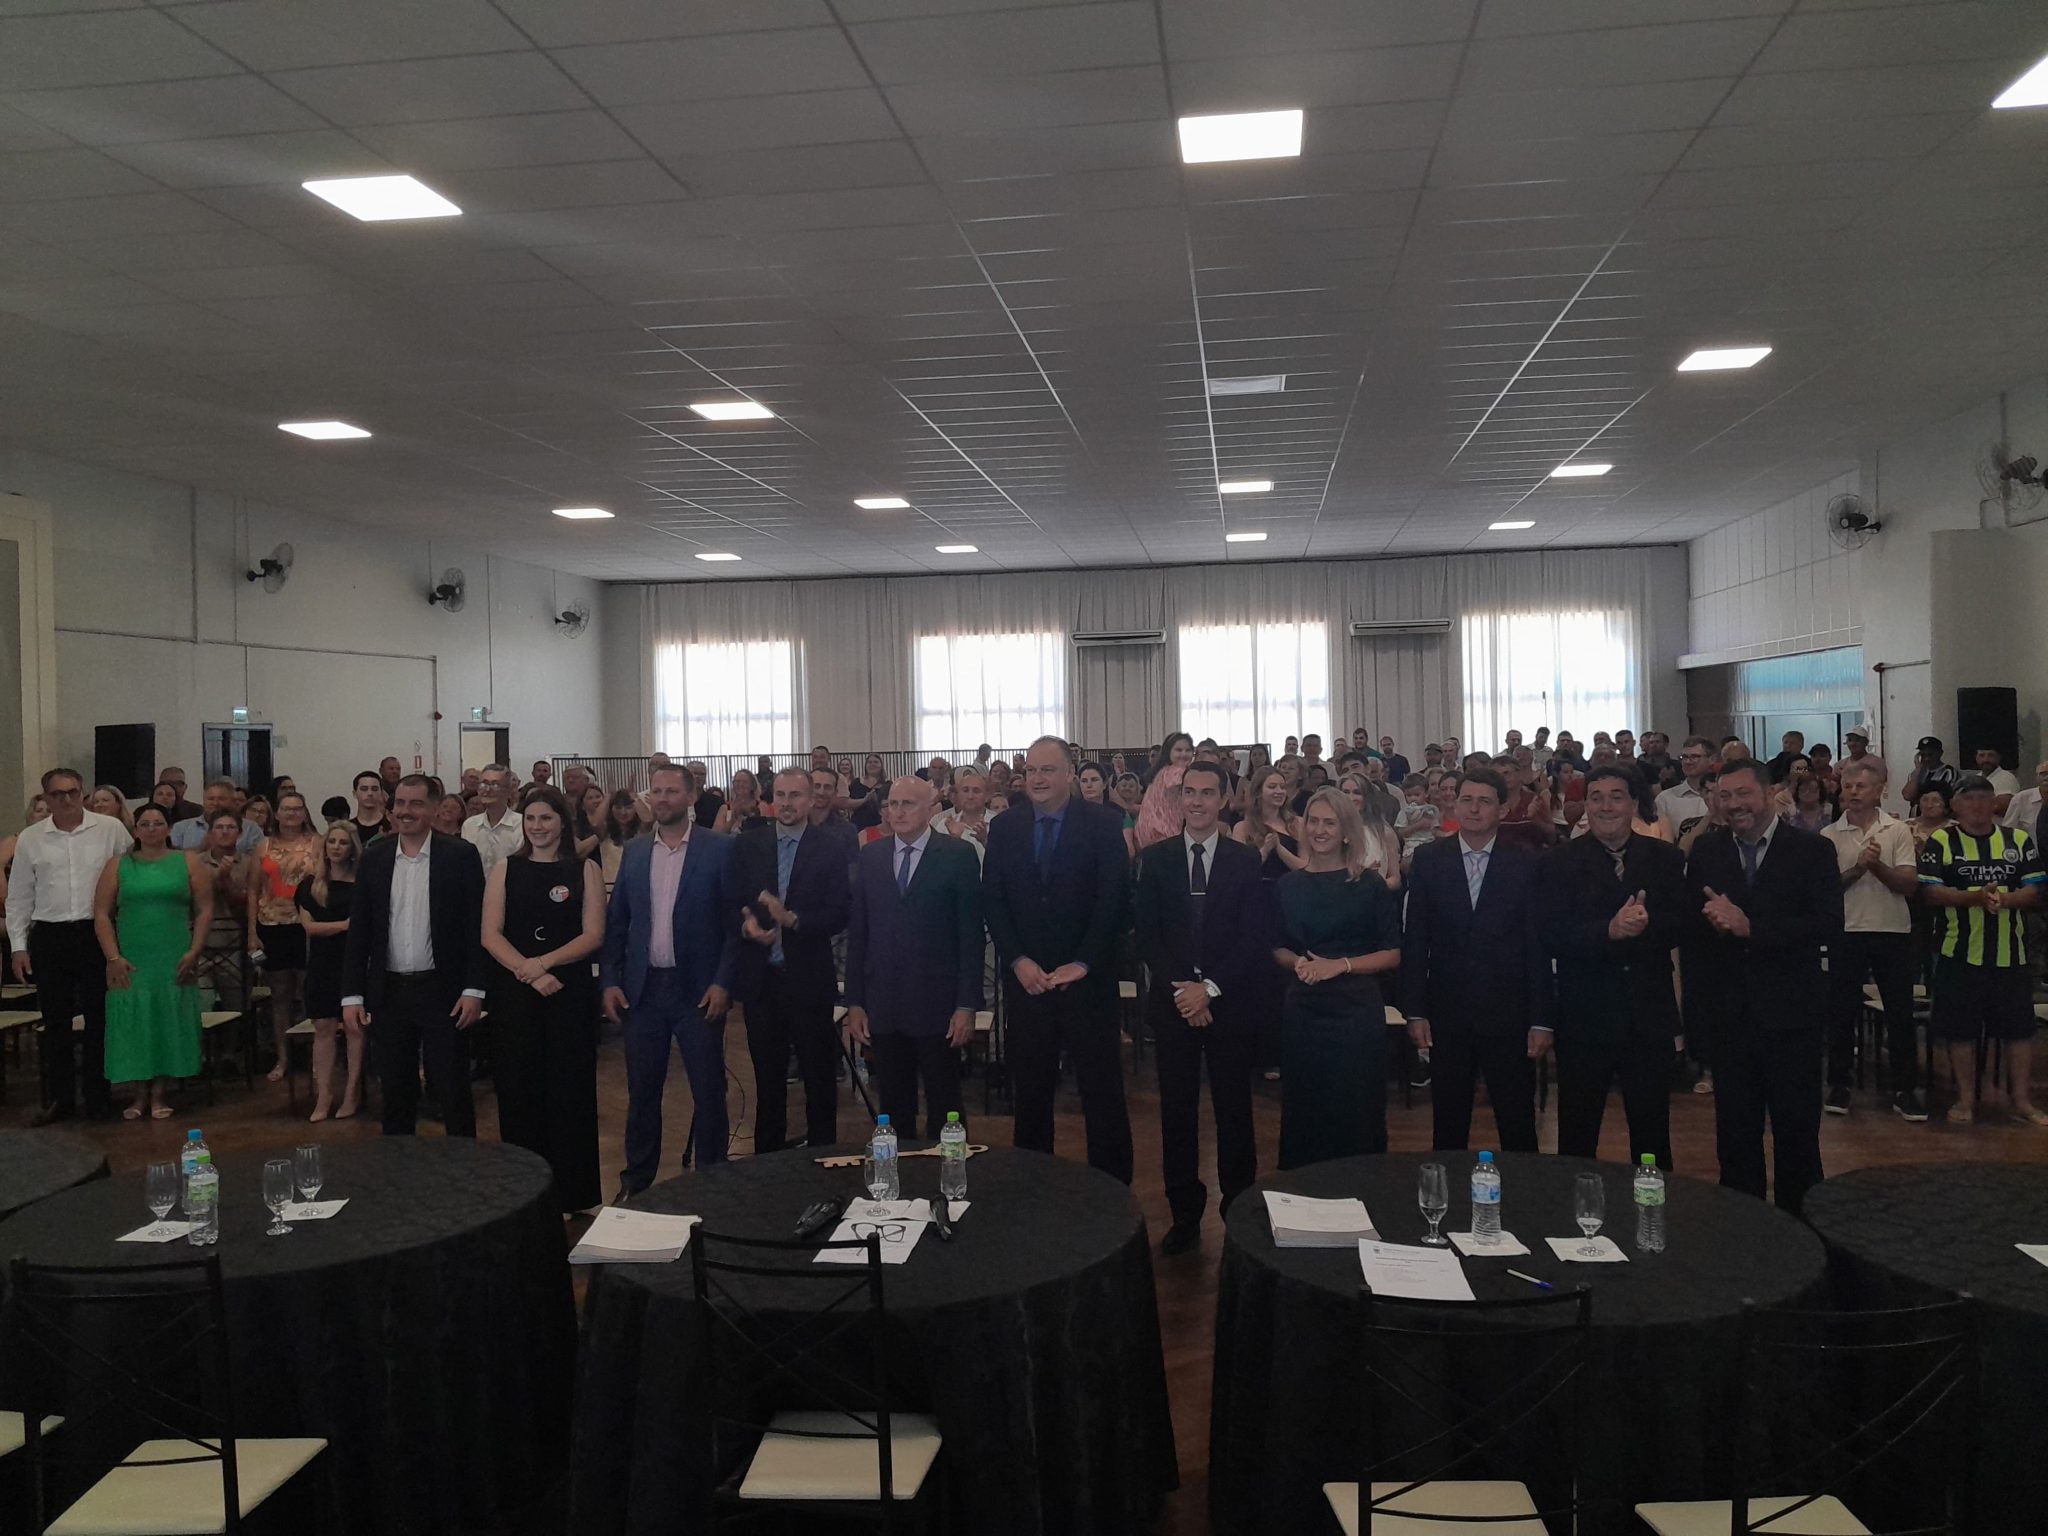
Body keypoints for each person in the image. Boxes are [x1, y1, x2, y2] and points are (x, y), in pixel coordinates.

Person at [1683, 759, 1842, 1214]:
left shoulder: (1812, 850)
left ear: (1769, 793)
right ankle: (1743, 1230)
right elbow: (1694, 936)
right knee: (1735, 1139)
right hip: (1729, 1018)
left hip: (1792, 1016)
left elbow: (1828, 924)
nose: (1734, 804)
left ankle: (1801, 1233)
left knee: (1797, 1136)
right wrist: (1712, 926)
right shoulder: (1707, 852)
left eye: (1744, 793)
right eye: (1724, 796)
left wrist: (1752, 928)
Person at [983, 736, 1133, 1181]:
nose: (1038, 778)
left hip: (1089, 983)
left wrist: (1083, 963)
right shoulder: (1005, 827)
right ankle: (1034, 1190)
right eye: (1031, 770)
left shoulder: (1104, 824)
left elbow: (1114, 902)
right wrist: (1017, 960)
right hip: (1028, 983)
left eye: (1047, 770)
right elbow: (994, 901)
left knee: (1102, 1095)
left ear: (1070, 774)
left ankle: (1113, 1194)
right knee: (1030, 1095)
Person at [1135, 762, 1266, 1254]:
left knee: (1234, 1111)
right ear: (1178, 799)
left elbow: (1252, 937)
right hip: (1174, 1005)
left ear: (1224, 799)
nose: (1196, 801)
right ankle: (1185, 1215)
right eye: (1189, 792)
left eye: (1207, 793)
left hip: (1228, 1002)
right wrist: (1186, 992)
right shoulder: (1157, 858)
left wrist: (1208, 989)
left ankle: (1239, 1210)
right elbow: (1148, 934)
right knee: (1177, 1112)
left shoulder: (1243, 860)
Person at [601, 763, 741, 1194]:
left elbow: (734, 925)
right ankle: (637, 1182)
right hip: (644, 992)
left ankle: (712, 1181)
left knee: (708, 1091)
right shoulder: (636, 850)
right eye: (656, 791)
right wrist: (609, 980)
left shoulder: (719, 849)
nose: (662, 799)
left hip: (698, 990)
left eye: (671, 791)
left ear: (691, 797)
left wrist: (723, 982)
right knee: (642, 1093)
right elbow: (617, 921)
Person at [1541, 766, 1685, 1169]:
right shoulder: (1558, 861)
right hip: (1585, 1015)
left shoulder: (1666, 858)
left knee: (1652, 1133)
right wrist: (1608, 930)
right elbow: (1550, 933)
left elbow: (1683, 925)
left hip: (1648, 1014)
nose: (1606, 806)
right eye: (1597, 797)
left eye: (1616, 796)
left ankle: (1652, 1205)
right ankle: (1575, 1205)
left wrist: (1646, 924)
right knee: (1577, 1132)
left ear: (1634, 804)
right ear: (1586, 805)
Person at [1402, 769, 1549, 1153]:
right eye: (1466, 800)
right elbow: (1415, 940)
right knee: (1448, 1124)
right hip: (1448, 1010)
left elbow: (1537, 945)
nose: (1474, 809)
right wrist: (1415, 1010)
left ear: (1502, 808)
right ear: (1454, 805)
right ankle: (1447, 1190)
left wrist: (1540, 1018)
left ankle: (1523, 1189)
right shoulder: (1429, 859)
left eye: (1484, 801)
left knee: (1517, 1122)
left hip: (1509, 1012)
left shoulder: (1527, 863)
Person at [341, 776, 488, 1138]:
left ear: (435, 809)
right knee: (395, 1092)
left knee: (452, 1088)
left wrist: (474, 989)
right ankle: (399, 1166)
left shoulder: (460, 856)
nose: (406, 811)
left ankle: (465, 1164)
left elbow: (475, 927)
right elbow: (360, 930)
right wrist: (352, 995)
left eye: (416, 804)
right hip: (390, 993)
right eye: (401, 803)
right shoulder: (374, 857)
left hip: (444, 991)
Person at [482, 785, 605, 1213]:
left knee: (570, 1091)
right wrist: (529, 972)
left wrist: (544, 963)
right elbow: (490, 934)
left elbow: (593, 934)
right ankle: (525, 1195)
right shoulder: (506, 869)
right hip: (516, 996)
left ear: (562, 823)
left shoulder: (585, 869)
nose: (537, 827)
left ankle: (577, 1193)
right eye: (531, 819)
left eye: (546, 818)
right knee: (519, 1091)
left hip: (568, 993)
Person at [1272, 788, 1402, 1168]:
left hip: (1355, 1010)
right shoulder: (1287, 886)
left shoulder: (1369, 885)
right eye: (1313, 821)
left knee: (1356, 1104)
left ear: (1346, 831)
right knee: (1305, 1105)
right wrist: (1298, 963)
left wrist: (1340, 965)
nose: (1319, 830)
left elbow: (1392, 953)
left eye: (1329, 823)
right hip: (1304, 1009)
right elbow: (1277, 946)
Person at [845, 777, 982, 1138]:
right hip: (885, 1004)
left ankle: (949, 1170)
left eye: (908, 803)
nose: (899, 811)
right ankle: (899, 1170)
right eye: (893, 804)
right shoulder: (872, 856)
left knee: (945, 1104)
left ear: (930, 809)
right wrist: (855, 1002)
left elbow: (970, 937)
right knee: (893, 1107)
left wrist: (966, 1005)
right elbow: (859, 934)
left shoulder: (957, 855)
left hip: (939, 1005)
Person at [732, 768, 851, 1154]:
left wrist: (793, 920)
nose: (786, 803)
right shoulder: (748, 844)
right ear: (771, 800)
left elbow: (840, 912)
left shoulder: (830, 847)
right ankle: (768, 1161)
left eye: (795, 795)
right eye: (780, 795)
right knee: (769, 1080)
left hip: (809, 980)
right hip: (762, 980)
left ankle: (823, 1156)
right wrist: (748, 924)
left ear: (811, 800)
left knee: (818, 1078)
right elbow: (732, 900)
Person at [1918, 776, 2046, 1125]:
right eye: (1969, 798)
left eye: (1983, 797)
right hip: (1958, 953)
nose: (1976, 804)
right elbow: (1930, 891)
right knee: (1961, 1030)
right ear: (1955, 805)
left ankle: (2022, 1101)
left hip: (2011, 953)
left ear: (1994, 803)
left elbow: (2035, 889)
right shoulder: (1942, 840)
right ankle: (1964, 1099)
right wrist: (1974, 898)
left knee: (2019, 1030)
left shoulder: (2017, 840)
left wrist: (2004, 900)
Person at [7, 769, 129, 1122]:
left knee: (99, 1018)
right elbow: (19, 896)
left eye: (72, 792)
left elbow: (130, 875)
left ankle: (98, 1096)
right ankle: (61, 1099)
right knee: (55, 1020)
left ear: (83, 793)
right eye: (57, 794)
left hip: (96, 933)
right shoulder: (31, 838)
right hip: (50, 934)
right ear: (46, 797)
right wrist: (18, 946)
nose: (66, 799)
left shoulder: (110, 829)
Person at [1819, 759, 1925, 1120]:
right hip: (1846, 930)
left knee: (1899, 1012)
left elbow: (1908, 885)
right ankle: (1839, 1084)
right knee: (1840, 1011)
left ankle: (1905, 1089)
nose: (1853, 793)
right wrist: (1859, 868)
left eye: (1861, 786)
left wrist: (1877, 866)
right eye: (1848, 787)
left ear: (1879, 790)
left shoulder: (1897, 830)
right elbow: (1825, 890)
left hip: (1891, 930)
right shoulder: (1829, 835)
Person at [93, 803, 209, 1121]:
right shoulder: (118, 865)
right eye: (145, 823)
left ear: (169, 828)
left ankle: (159, 1093)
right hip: (132, 956)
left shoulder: (187, 861)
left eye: (158, 823)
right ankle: (138, 1094)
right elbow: (101, 914)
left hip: (173, 953)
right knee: (134, 1022)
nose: (152, 829)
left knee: (166, 1018)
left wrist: (194, 950)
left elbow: (205, 909)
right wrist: (113, 957)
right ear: (135, 830)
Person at [251, 791, 322, 1083]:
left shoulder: (317, 843)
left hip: (308, 925)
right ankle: (283, 1058)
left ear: (305, 813)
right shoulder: (263, 846)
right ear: (276, 813)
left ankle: (316, 1056)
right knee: (279, 995)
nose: (292, 813)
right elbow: (254, 890)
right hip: (272, 924)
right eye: (286, 808)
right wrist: (251, 932)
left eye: (297, 808)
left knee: (310, 992)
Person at [298, 821, 362, 1121]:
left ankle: (352, 1092)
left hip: (354, 961)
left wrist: (338, 928)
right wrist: (345, 926)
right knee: (323, 1028)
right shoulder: (311, 885)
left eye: (343, 842)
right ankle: (324, 1095)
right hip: (322, 963)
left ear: (352, 848)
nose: (336, 847)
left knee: (354, 1028)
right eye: (332, 841)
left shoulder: (362, 883)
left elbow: (365, 926)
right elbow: (310, 928)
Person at [192, 810, 256, 1017]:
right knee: (201, 1009)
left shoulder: (249, 863)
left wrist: (226, 881)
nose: (225, 832)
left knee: (236, 1010)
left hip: (234, 946)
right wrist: (216, 876)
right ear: (210, 832)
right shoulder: (194, 862)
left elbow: (247, 902)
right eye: (219, 827)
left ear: (240, 832)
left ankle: (233, 1041)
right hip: (200, 947)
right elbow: (193, 897)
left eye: (231, 827)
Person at [1134, 732, 1195, 850]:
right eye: (1178, 750)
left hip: (1147, 833)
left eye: (1188, 750)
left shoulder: (1161, 771)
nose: (1183, 754)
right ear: (1169, 752)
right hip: (1162, 832)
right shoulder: (1177, 771)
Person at [169, 778, 261, 853]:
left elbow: (258, 859)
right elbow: (171, 858)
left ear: (233, 802)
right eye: (210, 799)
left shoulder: (250, 828)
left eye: (221, 799)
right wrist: (201, 848)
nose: (215, 803)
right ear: (203, 801)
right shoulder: (181, 828)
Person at [461, 763, 522, 874]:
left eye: (495, 785)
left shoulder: (521, 824)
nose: (487, 790)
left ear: (508, 791)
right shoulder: (470, 825)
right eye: (483, 784)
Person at [1656, 737, 1716, 843]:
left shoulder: (1723, 796)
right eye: (1684, 757)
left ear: (1711, 759)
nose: (1688, 761)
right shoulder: (1665, 799)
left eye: (1695, 757)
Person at [933, 763, 993, 863]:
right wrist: (953, 840)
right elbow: (936, 861)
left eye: (976, 791)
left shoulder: (999, 823)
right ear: (957, 795)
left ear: (987, 796)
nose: (970, 796)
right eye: (965, 790)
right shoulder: (944, 825)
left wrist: (985, 842)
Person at [596, 789, 642, 891]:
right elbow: (596, 823)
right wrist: (608, 796)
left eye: (628, 807)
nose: (623, 812)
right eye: (618, 807)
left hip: (636, 886)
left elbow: (648, 820)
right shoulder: (605, 831)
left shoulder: (641, 831)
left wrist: (635, 798)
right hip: (610, 887)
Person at [1902, 737, 1962, 809]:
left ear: (1940, 753)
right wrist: (1918, 770)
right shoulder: (1916, 773)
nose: (1926, 758)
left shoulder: (1949, 772)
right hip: (1917, 814)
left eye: (1930, 754)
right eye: (1923, 755)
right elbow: (1907, 796)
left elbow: (1951, 799)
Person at [2004, 758, 2048, 841]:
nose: (2046, 778)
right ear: (2037, 777)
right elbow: (2008, 830)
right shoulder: (2021, 799)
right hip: (2028, 847)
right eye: (2043, 774)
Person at [713, 768, 765, 835]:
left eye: (744, 782)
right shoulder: (725, 808)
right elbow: (715, 834)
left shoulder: (761, 806)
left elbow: (766, 831)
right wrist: (732, 821)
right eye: (737, 782)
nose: (740, 784)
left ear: (752, 786)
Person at [1973, 746, 2021, 815]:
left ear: (1999, 758)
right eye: (1981, 755)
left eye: (1991, 755)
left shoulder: (2007, 778)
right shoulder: (1974, 779)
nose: (1986, 759)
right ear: (1976, 758)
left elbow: (2001, 807)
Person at [348, 769, 392, 843]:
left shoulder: (391, 826)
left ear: (381, 793)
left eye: (375, 789)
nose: (370, 793)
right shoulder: (347, 829)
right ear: (354, 794)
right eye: (364, 789)